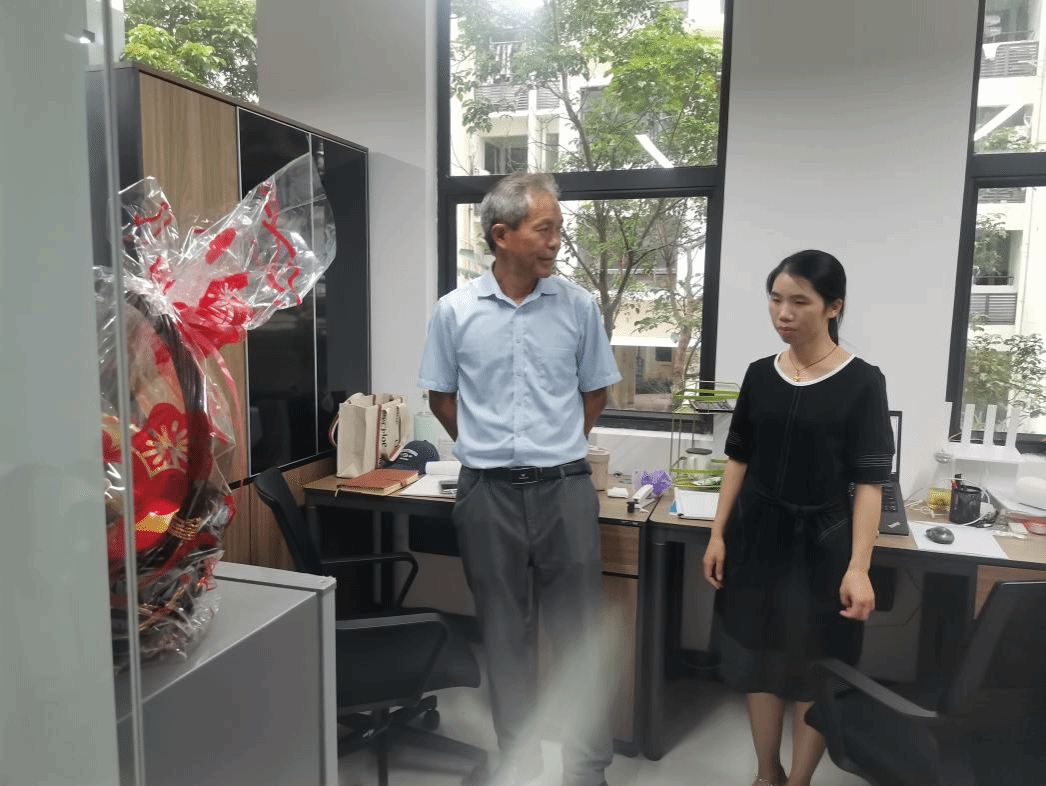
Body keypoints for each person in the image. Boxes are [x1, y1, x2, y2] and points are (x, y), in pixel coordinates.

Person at [418, 171, 622, 786]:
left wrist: (555, 445)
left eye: (557, 229)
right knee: (505, 637)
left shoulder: (578, 306)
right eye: (545, 229)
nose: (556, 241)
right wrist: (487, 447)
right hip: (487, 493)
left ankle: (586, 769)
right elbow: (440, 396)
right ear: (502, 235)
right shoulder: (454, 312)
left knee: (577, 635)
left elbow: (595, 391)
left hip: (565, 488)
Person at [702, 249, 893, 786]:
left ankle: (800, 780)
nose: (783, 313)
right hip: (756, 538)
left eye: (799, 302)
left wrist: (859, 567)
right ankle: (768, 773)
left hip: (824, 543)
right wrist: (717, 534)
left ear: (833, 307)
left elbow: (870, 483)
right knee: (757, 658)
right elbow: (738, 458)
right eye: (775, 299)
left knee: (816, 665)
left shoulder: (863, 381)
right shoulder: (760, 375)